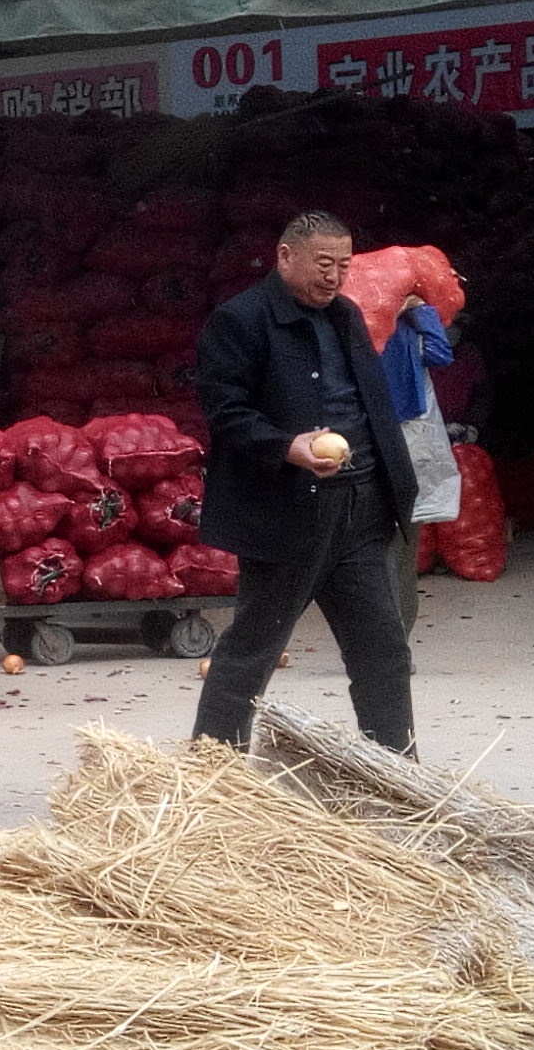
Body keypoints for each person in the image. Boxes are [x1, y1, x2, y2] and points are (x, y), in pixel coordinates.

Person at [189, 211, 420, 754]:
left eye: (343, 265)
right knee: (254, 647)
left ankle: (398, 771)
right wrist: (286, 446)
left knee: (383, 649)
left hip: (361, 510)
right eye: (323, 263)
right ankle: (209, 773)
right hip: (289, 512)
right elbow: (225, 411)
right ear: (285, 256)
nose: (334, 276)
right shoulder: (240, 320)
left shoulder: (347, 316)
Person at [379, 293, 455, 632]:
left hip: (379, 448)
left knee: (380, 557)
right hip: (410, 448)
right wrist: (421, 311)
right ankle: (395, 645)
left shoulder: (357, 335)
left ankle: (382, 646)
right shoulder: (408, 335)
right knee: (399, 557)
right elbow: (441, 352)